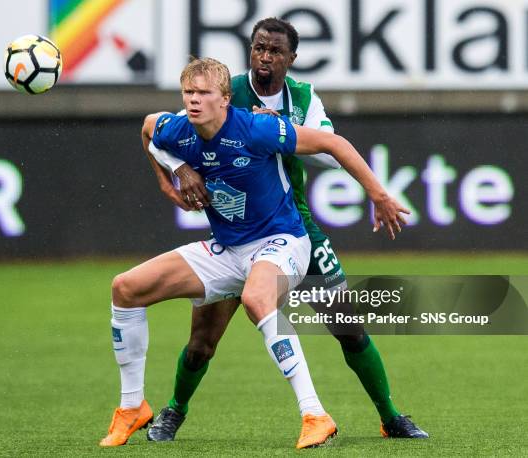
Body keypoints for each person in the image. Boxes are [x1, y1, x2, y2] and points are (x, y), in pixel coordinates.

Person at [100, 57, 408, 449]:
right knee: (126, 288)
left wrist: (378, 194)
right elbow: (148, 128)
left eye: (204, 93)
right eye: (188, 93)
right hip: (228, 248)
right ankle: (132, 406)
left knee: (264, 301)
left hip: (282, 240)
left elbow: (333, 143)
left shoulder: (258, 128)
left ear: (226, 99)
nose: (193, 101)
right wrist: (173, 174)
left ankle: (316, 414)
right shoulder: (178, 130)